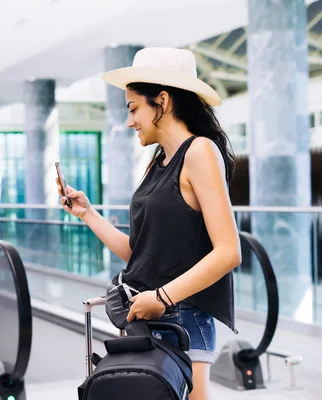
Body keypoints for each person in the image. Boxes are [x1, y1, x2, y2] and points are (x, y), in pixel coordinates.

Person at [56, 48, 241, 400]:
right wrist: (87, 214)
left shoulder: (199, 152)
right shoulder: (158, 162)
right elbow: (139, 252)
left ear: (163, 101)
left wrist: (162, 296)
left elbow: (229, 251)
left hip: (181, 317)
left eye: (133, 108)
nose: (129, 121)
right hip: (146, 314)